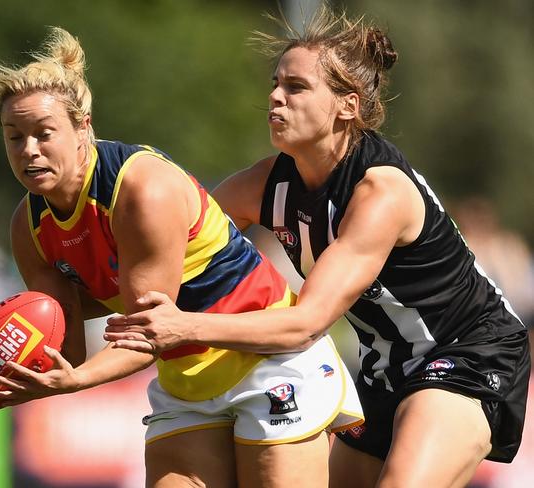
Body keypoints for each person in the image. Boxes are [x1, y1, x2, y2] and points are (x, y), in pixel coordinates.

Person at [103, 6, 531, 488]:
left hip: (471, 352)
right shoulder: (267, 182)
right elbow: (184, 242)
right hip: (383, 365)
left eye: (296, 87)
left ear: (347, 106)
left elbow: (305, 324)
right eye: (275, 83)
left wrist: (183, 326)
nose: (274, 97)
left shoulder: (379, 194)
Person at [0, 27, 364, 488]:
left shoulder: (140, 189)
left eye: (43, 133)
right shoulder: (28, 227)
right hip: (186, 380)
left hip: (267, 363)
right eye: (15, 137)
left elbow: (147, 334)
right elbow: (62, 345)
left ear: (83, 128)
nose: (29, 150)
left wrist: (73, 383)